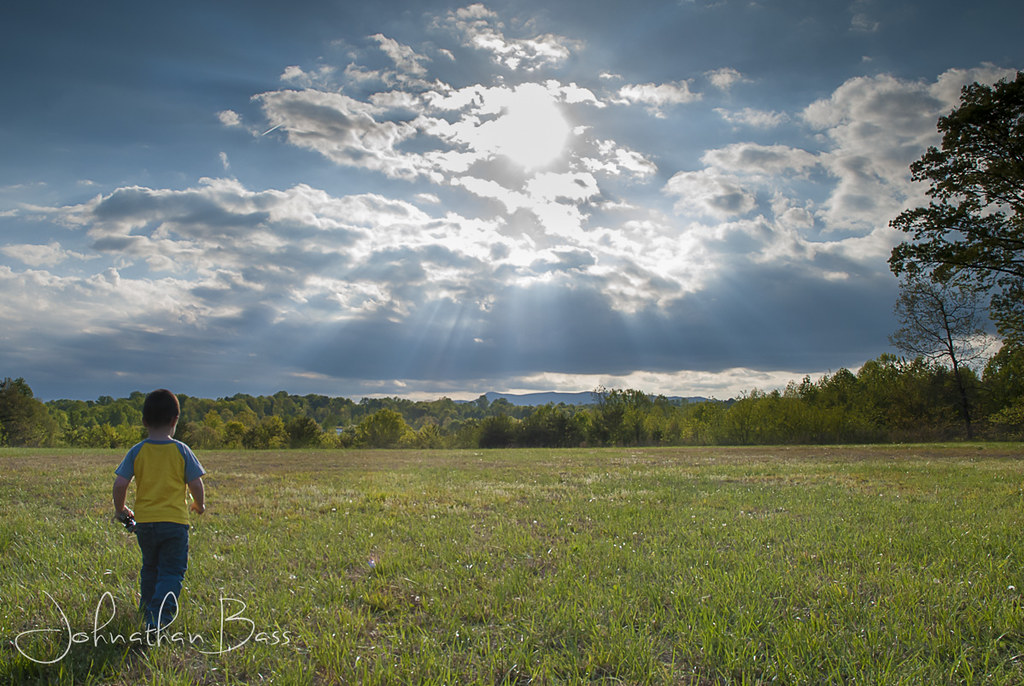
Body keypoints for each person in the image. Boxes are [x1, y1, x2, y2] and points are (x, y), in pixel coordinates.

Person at [112, 389, 206, 633]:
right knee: (171, 571)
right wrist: (200, 504)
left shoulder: (137, 451)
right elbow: (196, 483)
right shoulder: (182, 451)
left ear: (144, 422)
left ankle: (147, 609)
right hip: (175, 524)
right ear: (175, 420)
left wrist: (120, 509)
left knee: (150, 567)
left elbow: (121, 483)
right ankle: (159, 619)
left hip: (145, 524)